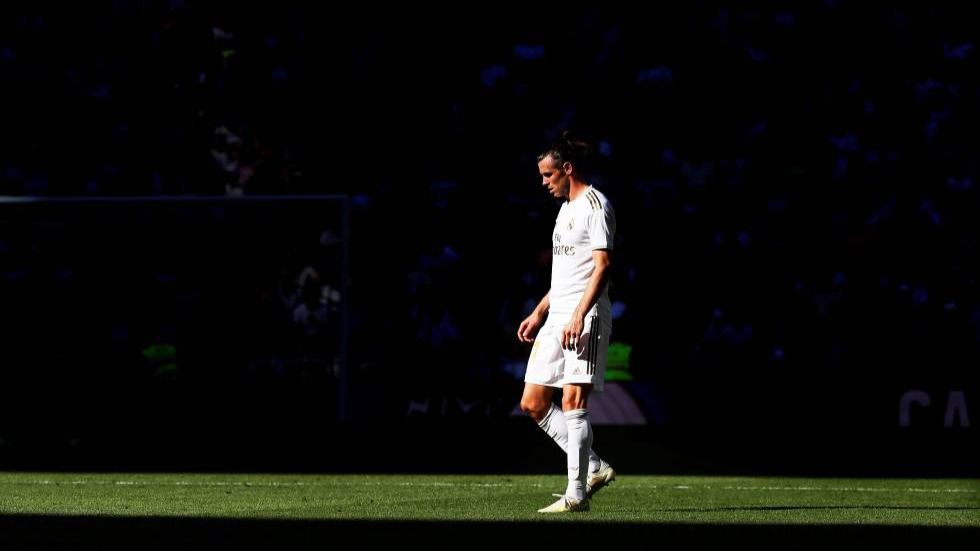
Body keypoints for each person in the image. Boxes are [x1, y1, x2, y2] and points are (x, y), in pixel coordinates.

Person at [517, 132, 617, 513]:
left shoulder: (596, 205)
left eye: (548, 174)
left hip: (586, 316)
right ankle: (595, 467)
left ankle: (576, 494)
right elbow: (566, 274)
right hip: (558, 314)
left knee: (573, 400)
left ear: (568, 169)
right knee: (533, 402)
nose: (544, 182)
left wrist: (579, 313)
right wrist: (540, 310)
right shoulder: (565, 210)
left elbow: (602, 267)